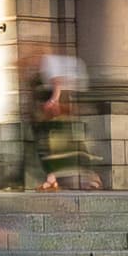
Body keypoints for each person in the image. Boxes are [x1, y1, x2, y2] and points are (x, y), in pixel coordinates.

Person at [29, 51, 89, 188]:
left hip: (49, 115)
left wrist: (53, 101)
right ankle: (51, 178)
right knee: (47, 147)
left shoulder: (47, 64)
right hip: (44, 116)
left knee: (55, 147)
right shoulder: (42, 69)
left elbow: (57, 83)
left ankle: (90, 178)